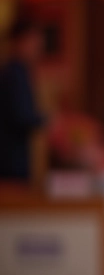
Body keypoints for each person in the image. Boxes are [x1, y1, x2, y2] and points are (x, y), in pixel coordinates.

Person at [0, 18, 46, 181]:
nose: (37, 47)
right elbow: (21, 115)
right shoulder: (15, 74)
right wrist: (47, 120)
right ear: (19, 41)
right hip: (10, 161)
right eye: (33, 41)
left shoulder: (16, 72)